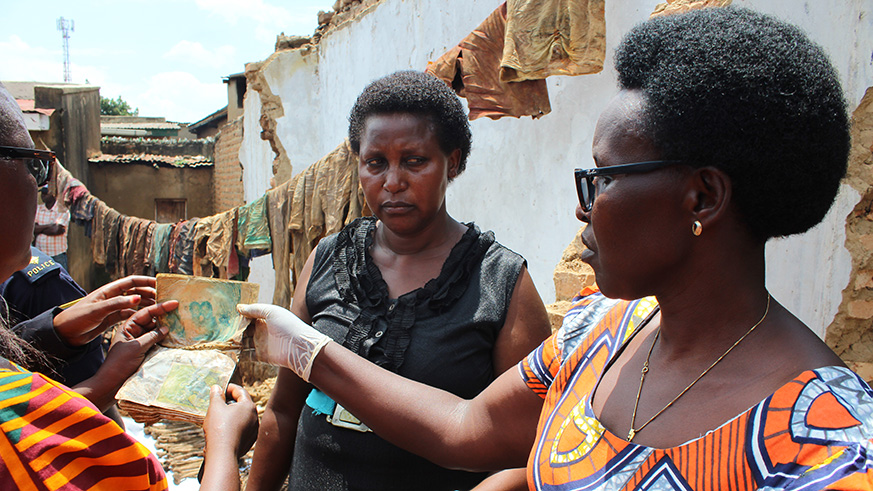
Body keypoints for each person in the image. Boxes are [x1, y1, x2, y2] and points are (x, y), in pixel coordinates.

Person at [240, 8, 873, 491]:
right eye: (375, 162)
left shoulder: (828, 449)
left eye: (603, 178)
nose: (582, 207)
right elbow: (465, 428)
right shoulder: (598, 334)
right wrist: (302, 345)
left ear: (702, 197)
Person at [246, 70, 551, 491]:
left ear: (453, 162)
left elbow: (531, 445)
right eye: (375, 163)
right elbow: (283, 410)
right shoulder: (328, 259)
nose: (392, 182)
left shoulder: (502, 283)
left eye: (414, 161)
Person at [0, 82, 259, 490]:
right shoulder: (35, 449)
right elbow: (36, 432)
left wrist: (59, 332)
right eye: (34, 165)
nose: (42, 186)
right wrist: (224, 450)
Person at [34, 185, 70, 269]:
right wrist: (49, 225)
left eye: (45, 193)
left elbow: (56, 230)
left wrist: (40, 229)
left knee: (60, 276)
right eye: (42, 193)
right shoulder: (38, 209)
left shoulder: (62, 210)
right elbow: (33, 229)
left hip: (57, 254)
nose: (43, 195)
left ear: (53, 194)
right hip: (40, 253)